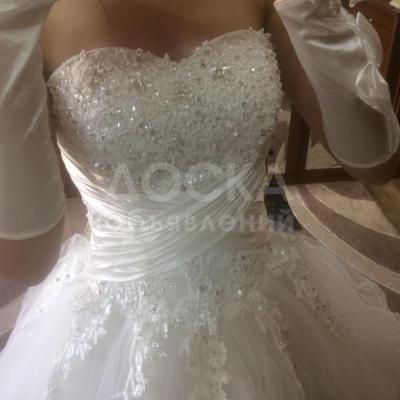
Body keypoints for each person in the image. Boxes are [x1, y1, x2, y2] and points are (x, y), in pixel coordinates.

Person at [0, 0, 400, 399]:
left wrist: (312, 12)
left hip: (262, 284)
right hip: (120, 305)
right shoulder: (33, 16)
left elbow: (375, 162)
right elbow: (28, 258)